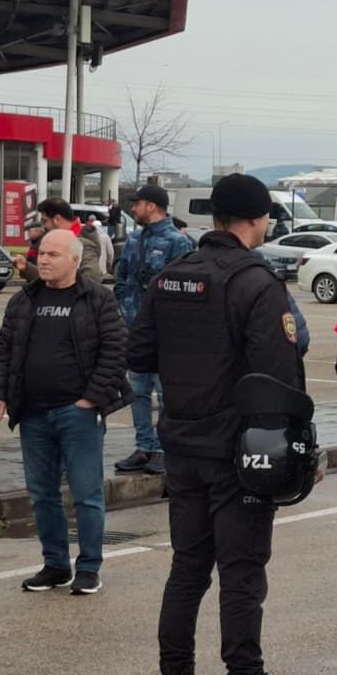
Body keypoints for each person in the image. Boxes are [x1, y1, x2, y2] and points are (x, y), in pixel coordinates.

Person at [128, 173, 319, 675]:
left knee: (187, 570)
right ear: (257, 220)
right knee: (241, 576)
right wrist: (299, 450)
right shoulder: (256, 281)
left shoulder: (172, 275)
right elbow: (278, 377)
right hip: (238, 453)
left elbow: (140, 352)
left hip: (181, 445)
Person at [0, 229, 130, 596]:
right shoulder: (24, 300)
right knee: (42, 495)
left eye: (52, 254)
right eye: (41, 254)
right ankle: (55, 565)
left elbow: (116, 351)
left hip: (77, 414)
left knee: (87, 494)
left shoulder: (97, 299)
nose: (43, 260)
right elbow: (5, 350)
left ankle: (89, 568)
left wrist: (90, 399)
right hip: (33, 414)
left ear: (75, 260)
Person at [114, 184, 194, 475]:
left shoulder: (178, 243)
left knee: (165, 394)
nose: (132, 208)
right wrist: (126, 312)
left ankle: (163, 448)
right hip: (136, 331)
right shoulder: (134, 240)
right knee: (138, 391)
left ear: (152, 206)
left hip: (167, 335)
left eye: (137, 203)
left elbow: (184, 290)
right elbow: (122, 280)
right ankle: (144, 447)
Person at [14, 198, 103, 285]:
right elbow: (53, 276)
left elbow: (92, 281)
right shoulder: (57, 240)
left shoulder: (83, 244)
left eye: (44, 221)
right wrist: (27, 268)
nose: (43, 226)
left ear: (57, 219)